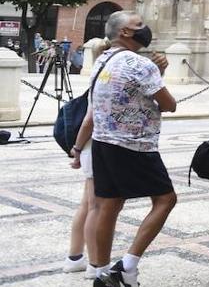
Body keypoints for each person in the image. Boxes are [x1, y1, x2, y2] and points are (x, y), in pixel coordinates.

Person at [70, 12, 177, 287]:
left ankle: (103, 272)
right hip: (135, 145)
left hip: (103, 143)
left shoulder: (102, 60)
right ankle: (128, 266)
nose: (145, 29)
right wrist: (157, 72)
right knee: (166, 199)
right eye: (138, 25)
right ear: (126, 33)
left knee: (109, 205)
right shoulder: (141, 64)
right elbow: (169, 104)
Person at [63, 40, 110, 276]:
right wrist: (78, 149)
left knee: (86, 204)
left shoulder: (96, 73)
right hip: (94, 147)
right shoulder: (104, 77)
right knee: (95, 207)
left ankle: (75, 257)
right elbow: (89, 120)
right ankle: (94, 264)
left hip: (90, 148)